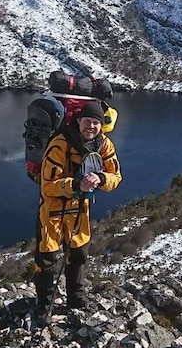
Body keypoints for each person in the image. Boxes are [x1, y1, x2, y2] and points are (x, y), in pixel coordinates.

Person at [34, 101, 121, 318]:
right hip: (52, 209)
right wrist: (74, 184)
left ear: (102, 125)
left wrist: (100, 178)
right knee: (47, 258)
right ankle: (44, 305)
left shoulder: (104, 145)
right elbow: (47, 186)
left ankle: (76, 298)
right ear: (78, 120)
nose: (91, 127)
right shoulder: (59, 144)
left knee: (78, 253)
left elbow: (116, 177)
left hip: (79, 209)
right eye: (87, 121)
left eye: (96, 123)